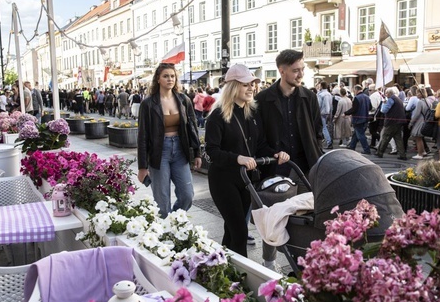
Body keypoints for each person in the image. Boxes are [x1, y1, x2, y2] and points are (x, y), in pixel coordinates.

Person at [205, 64, 289, 257]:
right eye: (246, 84)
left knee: (232, 229)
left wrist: (275, 154)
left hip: (245, 180)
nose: (251, 88)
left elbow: (259, 146)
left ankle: (221, 267)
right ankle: (241, 277)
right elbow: (211, 152)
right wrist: (238, 158)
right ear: (233, 86)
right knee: (240, 231)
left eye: (253, 84)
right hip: (223, 180)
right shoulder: (217, 116)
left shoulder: (251, 114)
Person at [137, 63, 202, 218]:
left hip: (180, 149)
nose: (170, 79)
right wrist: (142, 166)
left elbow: (192, 128)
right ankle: (166, 232)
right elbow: (143, 136)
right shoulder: (148, 104)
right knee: (162, 201)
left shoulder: (183, 99)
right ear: (158, 79)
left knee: (187, 195)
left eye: (172, 76)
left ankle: (173, 220)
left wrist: (198, 153)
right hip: (160, 152)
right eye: (165, 76)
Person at [254, 49, 323, 180]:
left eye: (302, 69)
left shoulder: (310, 97)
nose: (301, 74)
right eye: (296, 70)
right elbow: (259, 136)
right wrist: (272, 154)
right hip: (276, 166)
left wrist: (316, 151)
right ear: (282, 71)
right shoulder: (262, 99)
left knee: (308, 201)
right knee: (280, 201)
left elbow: (317, 129)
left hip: (307, 166)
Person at [375, 86, 407, 160]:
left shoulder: (390, 99)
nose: (385, 94)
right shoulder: (398, 99)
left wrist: (383, 103)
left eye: (386, 93)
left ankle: (379, 152)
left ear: (389, 93)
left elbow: (383, 110)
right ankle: (402, 154)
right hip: (399, 121)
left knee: (385, 137)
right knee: (398, 138)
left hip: (391, 121)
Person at [345, 84, 372, 155]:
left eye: (354, 90)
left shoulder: (357, 98)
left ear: (356, 90)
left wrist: (345, 113)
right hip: (365, 118)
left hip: (358, 119)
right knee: (355, 134)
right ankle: (352, 146)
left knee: (360, 135)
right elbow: (370, 108)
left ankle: (366, 149)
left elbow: (354, 109)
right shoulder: (367, 97)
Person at [316, 81, 333, 149]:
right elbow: (330, 104)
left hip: (321, 112)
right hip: (327, 112)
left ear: (321, 86)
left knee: (323, 128)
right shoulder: (329, 94)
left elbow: (318, 105)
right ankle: (327, 141)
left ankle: (329, 142)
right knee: (325, 127)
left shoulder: (321, 94)